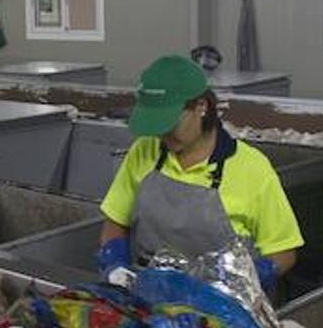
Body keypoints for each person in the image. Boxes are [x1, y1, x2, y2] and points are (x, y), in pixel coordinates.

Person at [97, 55, 303, 291]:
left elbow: (284, 252)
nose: (161, 135)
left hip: (223, 306)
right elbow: (115, 222)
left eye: (169, 124)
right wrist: (114, 261)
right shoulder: (143, 152)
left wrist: (247, 279)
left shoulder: (252, 168)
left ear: (201, 107)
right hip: (151, 295)